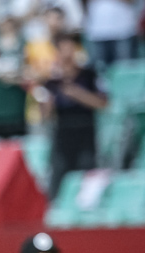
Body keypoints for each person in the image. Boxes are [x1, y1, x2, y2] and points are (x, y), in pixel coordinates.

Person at [42, 33, 108, 200]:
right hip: (62, 133)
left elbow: (102, 103)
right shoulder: (52, 82)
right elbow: (45, 115)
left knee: (87, 175)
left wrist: (77, 94)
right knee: (58, 174)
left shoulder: (89, 75)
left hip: (86, 130)